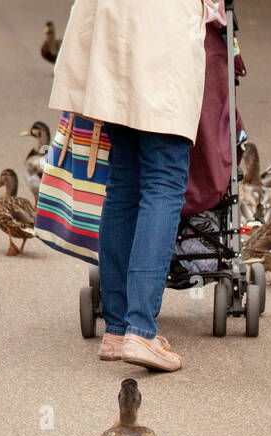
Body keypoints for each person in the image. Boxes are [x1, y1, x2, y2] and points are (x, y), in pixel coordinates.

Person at [49, 0, 210, 371]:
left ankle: (118, 329)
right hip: (161, 34)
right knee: (164, 179)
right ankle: (141, 330)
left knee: (123, 179)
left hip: (115, 27)